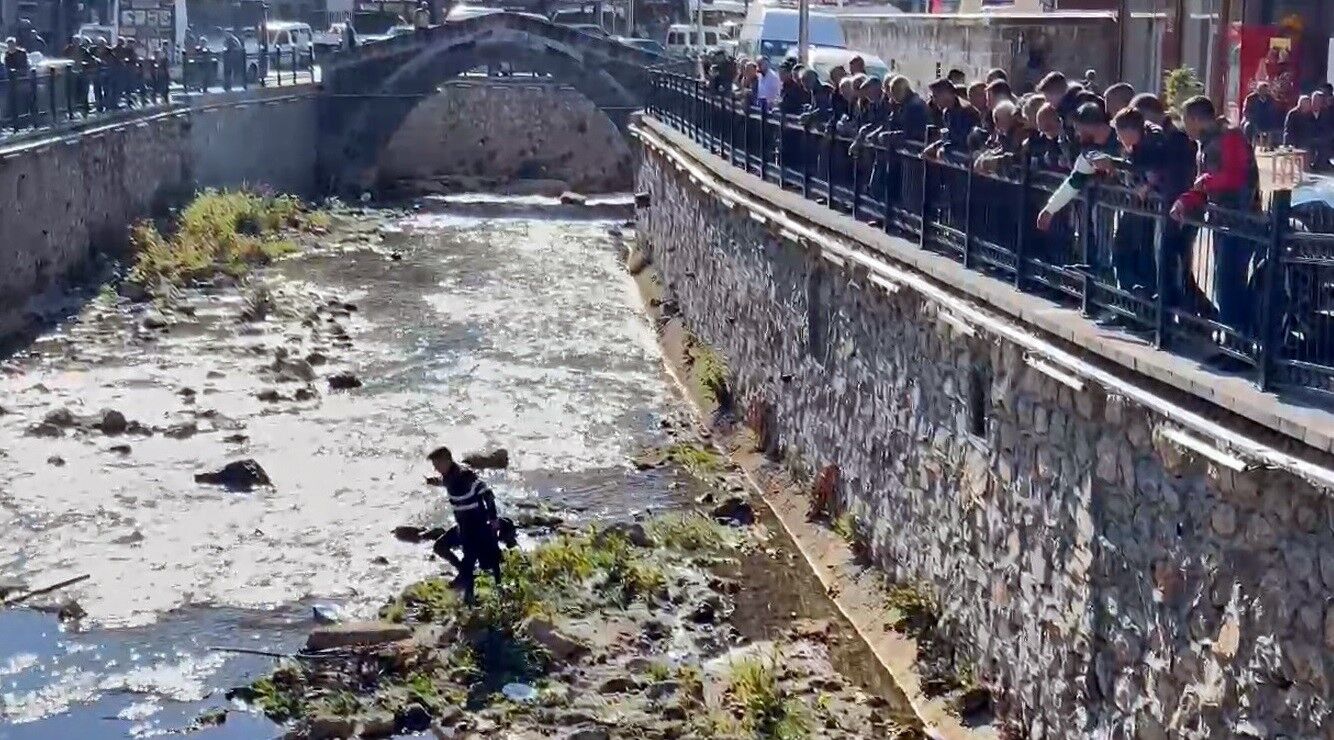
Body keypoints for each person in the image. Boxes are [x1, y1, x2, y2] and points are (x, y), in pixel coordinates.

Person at [1171, 96, 1260, 343]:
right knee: (1224, 284)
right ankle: (1231, 343)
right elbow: (1203, 185)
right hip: (1224, 220)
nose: (1184, 126)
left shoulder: (1230, 137)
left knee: (1230, 285)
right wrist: (1184, 201)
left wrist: (1207, 182)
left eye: (1185, 120)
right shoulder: (1207, 143)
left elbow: (1237, 178)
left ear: (1197, 119)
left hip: (1241, 221)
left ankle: (1239, 344)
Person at [425, 446, 503, 604]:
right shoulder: (447, 477)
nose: (435, 468)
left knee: (472, 561)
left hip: (478, 528)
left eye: (437, 464)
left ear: (447, 461)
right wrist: (435, 482)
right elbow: (447, 483)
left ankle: (469, 595)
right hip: (463, 527)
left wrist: (493, 519)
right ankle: (464, 573)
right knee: (439, 547)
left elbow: (488, 494)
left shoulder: (466, 475)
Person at [923, 77, 981, 158]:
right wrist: (935, 146)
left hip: (968, 156)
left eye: (935, 96)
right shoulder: (946, 112)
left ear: (945, 94)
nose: (934, 101)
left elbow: (963, 140)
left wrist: (944, 148)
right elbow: (949, 137)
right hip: (955, 153)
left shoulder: (966, 110)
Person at [1242, 81, 1282, 147]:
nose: (1263, 91)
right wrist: (1251, 118)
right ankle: (1248, 145)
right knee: (1248, 126)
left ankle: (1272, 146)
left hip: (1267, 120)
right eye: (1261, 89)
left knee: (1277, 125)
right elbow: (1246, 111)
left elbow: (1275, 111)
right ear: (1258, 90)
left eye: (1265, 90)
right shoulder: (1250, 98)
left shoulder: (1270, 98)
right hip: (1254, 120)